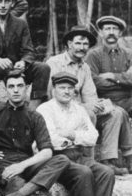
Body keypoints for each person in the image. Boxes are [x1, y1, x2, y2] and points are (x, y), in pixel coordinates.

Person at [37, 72, 116, 196]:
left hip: (77, 154)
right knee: (83, 172)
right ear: (54, 90)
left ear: (74, 91)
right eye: (62, 88)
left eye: (70, 88)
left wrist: (71, 134)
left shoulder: (78, 109)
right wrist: (75, 137)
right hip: (55, 159)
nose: (66, 92)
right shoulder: (45, 110)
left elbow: (93, 137)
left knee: (106, 171)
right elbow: (51, 140)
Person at [47, 25, 132, 174]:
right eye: (78, 43)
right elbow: (52, 96)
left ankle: (108, 160)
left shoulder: (84, 67)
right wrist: (86, 107)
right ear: (69, 44)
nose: (82, 47)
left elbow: (90, 95)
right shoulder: (54, 63)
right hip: (62, 113)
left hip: (82, 109)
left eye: (85, 44)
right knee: (89, 114)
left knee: (116, 112)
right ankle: (88, 160)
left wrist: (97, 104)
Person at [86, 16, 132, 116]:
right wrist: (124, 81)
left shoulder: (129, 54)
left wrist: (113, 76)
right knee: (117, 114)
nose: (111, 32)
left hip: (129, 100)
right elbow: (94, 82)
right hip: (105, 101)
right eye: (107, 29)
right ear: (101, 33)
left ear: (120, 33)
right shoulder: (93, 55)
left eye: (114, 29)